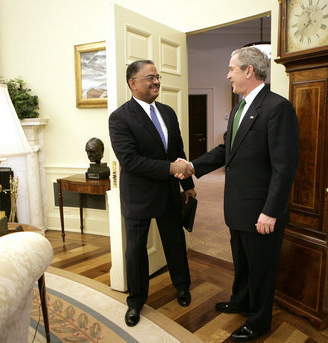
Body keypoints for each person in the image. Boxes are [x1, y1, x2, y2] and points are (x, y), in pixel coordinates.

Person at [176, 47, 299, 342]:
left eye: (232, 68)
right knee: (242, 262)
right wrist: (193, 166)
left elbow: (284, 167)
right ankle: (241, 301)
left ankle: (259, 322)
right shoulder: (239, 108)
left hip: (261, 211)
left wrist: (271, 210)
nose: (227, 74)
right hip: (237, 207)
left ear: (249, 71)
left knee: (261, 269)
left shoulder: (277, 108)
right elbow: (225, 151)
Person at [108, 60, 196, 327]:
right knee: (135, 251)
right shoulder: (120, 117)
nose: (156, 81)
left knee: (175, 243)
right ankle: (135, 302)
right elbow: (130, 160)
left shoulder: (168, 113)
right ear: (133, 83)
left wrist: (187, 185)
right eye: (150, 77)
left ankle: (182, 287)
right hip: (138, 196)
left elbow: (177, 150)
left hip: (169, 193)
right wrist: (171, 168)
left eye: (157, 76)